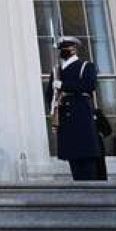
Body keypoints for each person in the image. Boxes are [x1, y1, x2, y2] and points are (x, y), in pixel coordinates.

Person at [45, 36, 100, 181]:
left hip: (81, 117)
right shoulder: (57, 71)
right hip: (65, 120)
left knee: (87, 167)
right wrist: (53, 109)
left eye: (65, 49)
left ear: (73, 49)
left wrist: (64, 85)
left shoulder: (86, 66)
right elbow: (49, 95)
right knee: (74, 164)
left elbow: (89, 86)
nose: (62, 52)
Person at [93, 108, 112, 181]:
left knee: (100, 173)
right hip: (85, 150)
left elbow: (108, 130)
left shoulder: (96, 113)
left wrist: (99, 135)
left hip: (98, 149)